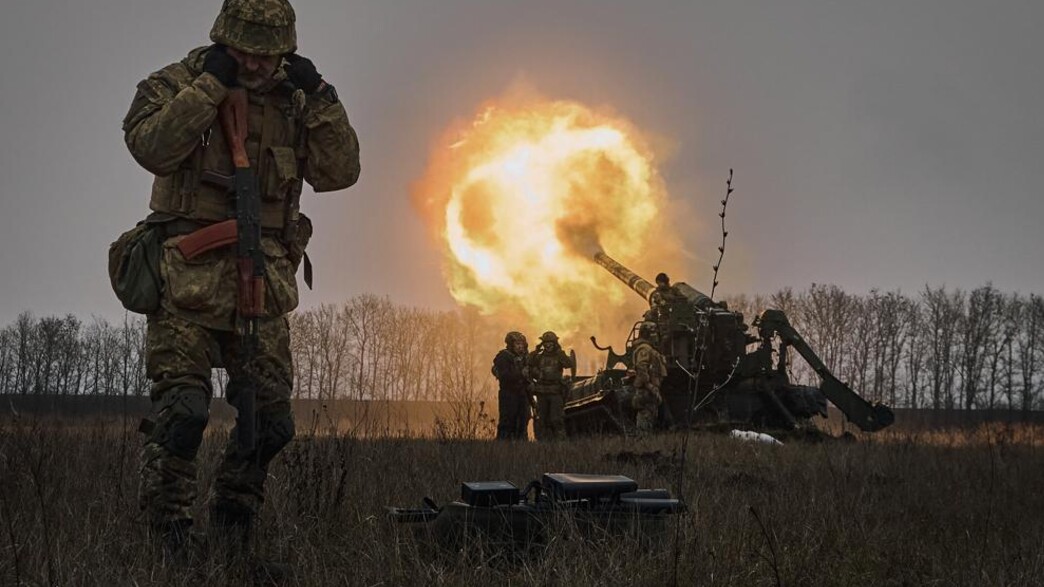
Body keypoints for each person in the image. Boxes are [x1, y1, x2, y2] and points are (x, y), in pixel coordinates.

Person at [123, 0, 360, 555]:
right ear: (224, 40)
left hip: (263, 282)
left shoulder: (298, 99)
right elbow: (151, 147)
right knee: (182, 417)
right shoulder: (177, 82)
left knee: (272, 423)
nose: (256, 65)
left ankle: (233, 529)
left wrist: (323, 97)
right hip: (187, 282)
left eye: (269, 55)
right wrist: (210, 86)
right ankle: (170, 543)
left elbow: (340, 172)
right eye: (245, 53)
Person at [527, 331, 575, 441]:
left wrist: (560, 353)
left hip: (555, 392)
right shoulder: (538, 357)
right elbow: (529, 366)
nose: (548, 345)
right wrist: (537, 372)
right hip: (541, 392)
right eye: (545, 343)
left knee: (556, 419)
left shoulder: (559, 356)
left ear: (555, 343)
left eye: (550, 343)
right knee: (542, 420)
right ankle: (544, 444)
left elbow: (569, 364)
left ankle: (560, 442)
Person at [492, 331, 530, 440]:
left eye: (522, 344)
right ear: (510, 344)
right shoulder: (503, 357)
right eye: (517, 344)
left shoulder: (525, 357)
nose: (520, 346)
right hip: (508, 393)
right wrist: (520, 374)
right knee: (507, 421)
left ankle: (521, 446)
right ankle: (504, 446)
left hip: (522, 393)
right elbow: (504, 376)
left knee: (523, 420)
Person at [631, 322, 668, 434]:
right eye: (654, 334)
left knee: (651, 415)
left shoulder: (649, 349)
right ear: (648, 335)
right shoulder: (645, 349)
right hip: (646, 390)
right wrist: (650, 386)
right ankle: (642, 442)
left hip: (650, 390)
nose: (656, 336)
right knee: (645, 416)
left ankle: (645, 442)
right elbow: (642, 367)